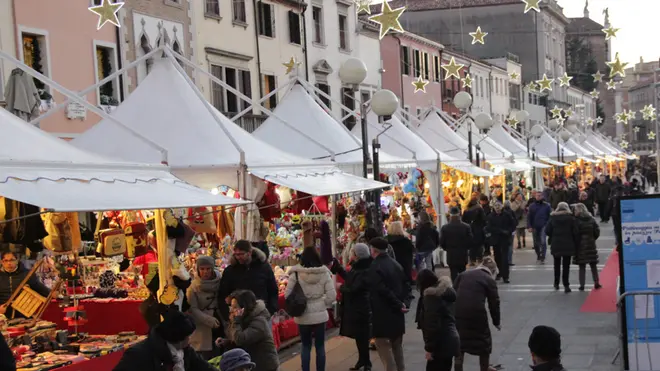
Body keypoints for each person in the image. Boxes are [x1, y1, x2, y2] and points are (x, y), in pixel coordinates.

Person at [284, 247, 336, 371]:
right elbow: (332, 295)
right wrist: (322, 303)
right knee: (320, 346)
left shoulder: (296, 273)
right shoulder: (324, 273)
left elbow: (287, 295)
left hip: (303, 314)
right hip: (320, 314)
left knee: (305, 346)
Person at [113, 310, 216, 371]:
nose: (189, 340)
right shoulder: (139, 354)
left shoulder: (184, 350)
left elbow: (204, 367)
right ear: (177, 337)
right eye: (187, 337)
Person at [368, 237, 410, 371]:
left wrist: (398, 304)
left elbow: (382, 290)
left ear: (374, 250)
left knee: (385, 351)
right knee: (397, 348)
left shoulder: (375, 266)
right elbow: (406, 286)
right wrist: (404, 304)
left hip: (382, 314)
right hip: (397, 315)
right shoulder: (396, 264)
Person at [453, 257, 500, 371]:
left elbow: (454, 292)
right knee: (484, 342)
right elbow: (494, 303)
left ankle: (458, 367)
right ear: (492, 271)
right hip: (476, 313)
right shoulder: (489, 280)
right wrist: (496, 322)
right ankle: (484, 367)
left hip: (458, 312)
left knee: (460, 342)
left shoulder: (463, 274)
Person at [331, 244, 373, 371]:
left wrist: (340, 288)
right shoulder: (360, 267)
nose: (351, 254)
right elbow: (351, 278)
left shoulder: (365, 269)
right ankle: (362, 361)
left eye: (353, 252)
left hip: (361, 307)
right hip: (356, 307)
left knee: (363, 337)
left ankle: (366, 363)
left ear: (357, 255)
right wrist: (339, 269)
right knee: (360, 337)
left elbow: (355, 288)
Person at [218, 240, 278, 322]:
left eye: (241, 254)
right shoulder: (230, 271)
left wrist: (270, 311)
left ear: (249, 253)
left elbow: (273, 290)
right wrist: (228, 316)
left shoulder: (264, 268)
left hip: (262, 315)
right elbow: (222, 295)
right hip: (239, 318)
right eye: (236, 254)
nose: (238, 257)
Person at [222, 290, 280, 371]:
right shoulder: (244, 319)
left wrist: (236, 321)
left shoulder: (259, 322)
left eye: (235, 307)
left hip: (266, 366)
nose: (231, 310)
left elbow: (241, 339)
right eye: (231, 307)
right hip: (255, 364)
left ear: (244, 308)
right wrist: (227, 341)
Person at [415, 270, 460, 371]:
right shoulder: (444, 293)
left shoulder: (431, 297)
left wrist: (429, 349)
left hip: (441, 344)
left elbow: (432, 325)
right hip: (450, 341)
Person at [187, 256, 222, 359]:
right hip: (203, 328)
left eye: (208, 269)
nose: (205, 272)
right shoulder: (192, 287)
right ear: (198, 270)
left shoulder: (220, 282)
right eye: (202, 269)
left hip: (220, 325)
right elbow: (192, 309)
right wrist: (208, 319)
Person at [0, 251, 50, 319]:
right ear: (1, 262)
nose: (9, 263)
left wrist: (53, 294)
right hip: (3, 316)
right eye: (5, 261)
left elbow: (41, 289)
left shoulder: (27, 274)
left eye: (12, 260)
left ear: (17, 260)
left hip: (24, 315)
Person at [545, 202, 580, 293]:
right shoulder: (571, 219)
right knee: (566, 266)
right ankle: (566, 284)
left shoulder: (553, 218)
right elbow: (576, 232)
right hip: (568, 244)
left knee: (556, 264)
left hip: (556, 243)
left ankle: (556, 283)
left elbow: (547, 230)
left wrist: (553, 236)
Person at [573, 203, 602, 291]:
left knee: (582, 266)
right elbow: (597, 231)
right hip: (591, 243)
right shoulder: (591, 219)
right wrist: (592, 238)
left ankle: (582, 285)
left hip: (580, 245)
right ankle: (596, 282)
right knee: (593, 265)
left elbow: (575, 233)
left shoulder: (576, 220)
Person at [439, 207, 473, 283]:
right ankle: (462, 288)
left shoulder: (445, 228)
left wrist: (447, 248)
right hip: (462, 253)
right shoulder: (466, 227)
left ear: (450, 215)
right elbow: (470, 240)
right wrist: (466, 248)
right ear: (459, 214)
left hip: (451, 253)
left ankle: (455, 288)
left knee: (453, 273)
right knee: (463, 272)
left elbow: (441, 242)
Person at [485, 203, 516, 284]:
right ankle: (499, 273)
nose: (497, 209)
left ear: (502, 207)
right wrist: (499, 231)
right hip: (496, 239)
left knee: (505, 258)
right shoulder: (490, 216)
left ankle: (506, 276)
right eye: (496, 207)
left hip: (505, 239)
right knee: (497, 257)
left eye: (499, 207)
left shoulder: (507, 215)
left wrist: (508, 231)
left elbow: (513, 224)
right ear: (494, 208)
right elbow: (488, 227)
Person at [386, 221, 415, 286]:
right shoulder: (406, 241)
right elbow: (412, 251)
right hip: (405, 266)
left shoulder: (387, 241)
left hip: (392, 265)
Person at [527, 191, 552, 264]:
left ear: (542, 196)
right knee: (536, 243)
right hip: (535, 226)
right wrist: (529, 226)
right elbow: (529, 217)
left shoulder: (547, 206)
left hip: (543, 226)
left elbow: (550, 216)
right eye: (537, 195)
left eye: (540, 195)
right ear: (535, 196)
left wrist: (548, 225)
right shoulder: (532, 206)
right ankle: (538, 254)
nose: (539, 197)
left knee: (543, 241)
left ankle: (543, 257)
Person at [463, 198, 487, 264]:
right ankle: (480, 258)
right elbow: (484, 219)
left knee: (471, 246)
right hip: (479, 229)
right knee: (479, 245)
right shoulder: (480, 209)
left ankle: (472, 260)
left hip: (469, 229)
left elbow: (463, 220)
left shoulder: (466, 210)